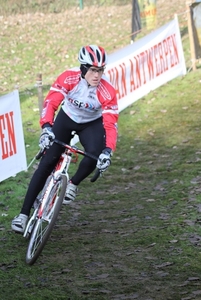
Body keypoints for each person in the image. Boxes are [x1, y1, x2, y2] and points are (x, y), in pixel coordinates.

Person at [11, 45, 119, 234]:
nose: (97, 75)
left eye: (101, 70)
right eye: (93, 70)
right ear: (83, 68)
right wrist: (46, 127)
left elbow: (110, 124)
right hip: (67, 118)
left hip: (91, 124)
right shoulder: (68, 78)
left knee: (94, 155)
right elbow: (51, 102)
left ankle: (73, 184)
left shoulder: (107, 90)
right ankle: (23, 214)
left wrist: (108, 151)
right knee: (47, 162)